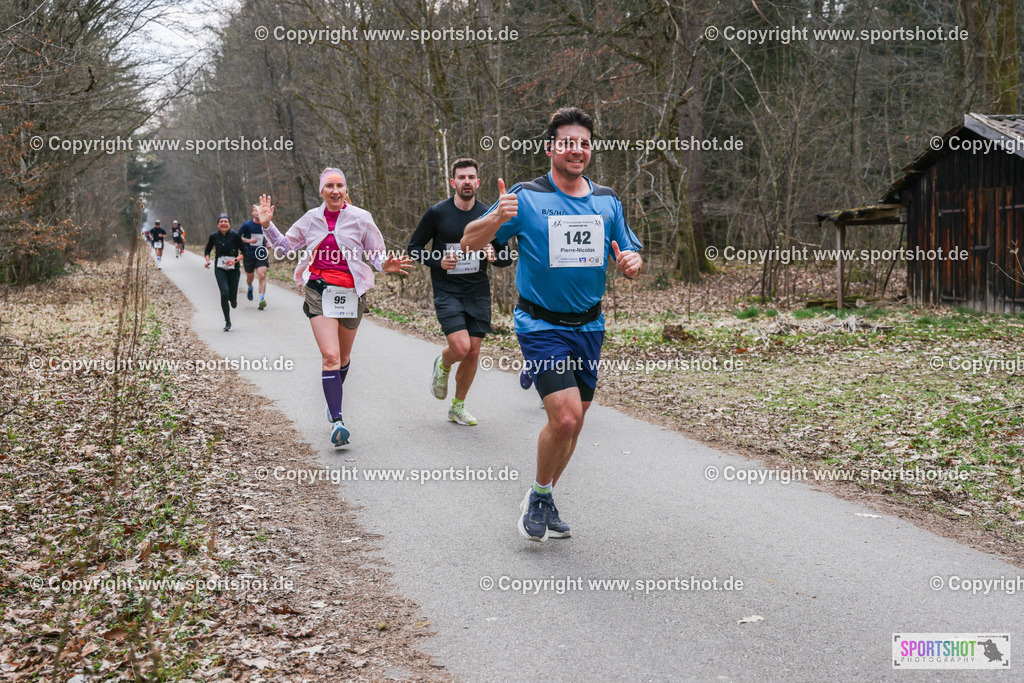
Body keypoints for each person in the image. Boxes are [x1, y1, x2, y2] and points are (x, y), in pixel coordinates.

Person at [461, 107, 643, 542]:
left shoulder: (606, 199)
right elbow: (469, 242)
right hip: (540, 324)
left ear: (590, 149)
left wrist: (632, 261)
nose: (576, 150)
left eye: (583, 143)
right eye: (567, 142)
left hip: (589, 325)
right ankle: (541, 494)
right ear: (550, 148)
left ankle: (544, 493)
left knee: (576, 420)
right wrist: (496, 218)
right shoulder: (524, 197)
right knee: (563, 419)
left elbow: (630, 251)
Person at [255, 168, 413, 448]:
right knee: (330, 356)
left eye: (340, 185)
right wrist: (268, 226)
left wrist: (385, 264)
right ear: (321, 191)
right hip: (319, 291)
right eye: (329, 186)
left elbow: (376, 253)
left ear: (346, 190)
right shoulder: (311, 219)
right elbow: (283, 248)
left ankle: (333, 397)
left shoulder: (361, 218)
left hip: (352, 293)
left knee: (343, 357)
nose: (335, 190)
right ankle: (338, 421)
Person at [408, 158, 512, 426]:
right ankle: (443, 362)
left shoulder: (489, 214)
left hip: (477, 291)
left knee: (474, 352)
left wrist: (493, 255)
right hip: (447, 291)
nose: (467, 181)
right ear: (453, 182)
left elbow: (507, 255)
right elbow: (414, 248)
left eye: (471, 177)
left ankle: (458, 406)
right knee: (461, 347)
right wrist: (437, 261)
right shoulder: (437, 213)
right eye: (461, 177)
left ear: (478, 182)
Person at [203, 213, 246, 331]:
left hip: (234, 269)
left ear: (229, 224)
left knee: (231, 296)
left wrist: (235, 260)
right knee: (224, 293)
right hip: (220, 268)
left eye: (225, 221)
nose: (223, 223)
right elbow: (207, 250)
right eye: (221, 221)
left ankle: (233, 300)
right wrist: (207, 261)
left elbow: (244, 252)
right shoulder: (214, 236)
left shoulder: (235, 235)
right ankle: (228, 322)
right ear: (218, 224)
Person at [237, 207, 270, 309]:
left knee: (262, 275)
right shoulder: (247, 225)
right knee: (250, 277)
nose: (257, 213)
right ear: (253, 213)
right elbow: (237, 237)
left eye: (259, 211)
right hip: (249, 254)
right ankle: (250, 287)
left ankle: (261, 299)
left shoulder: (266, 224)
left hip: (261, 254)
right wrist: (248, 241)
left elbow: (272, 236)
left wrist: (270, 243)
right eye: (256, 211)